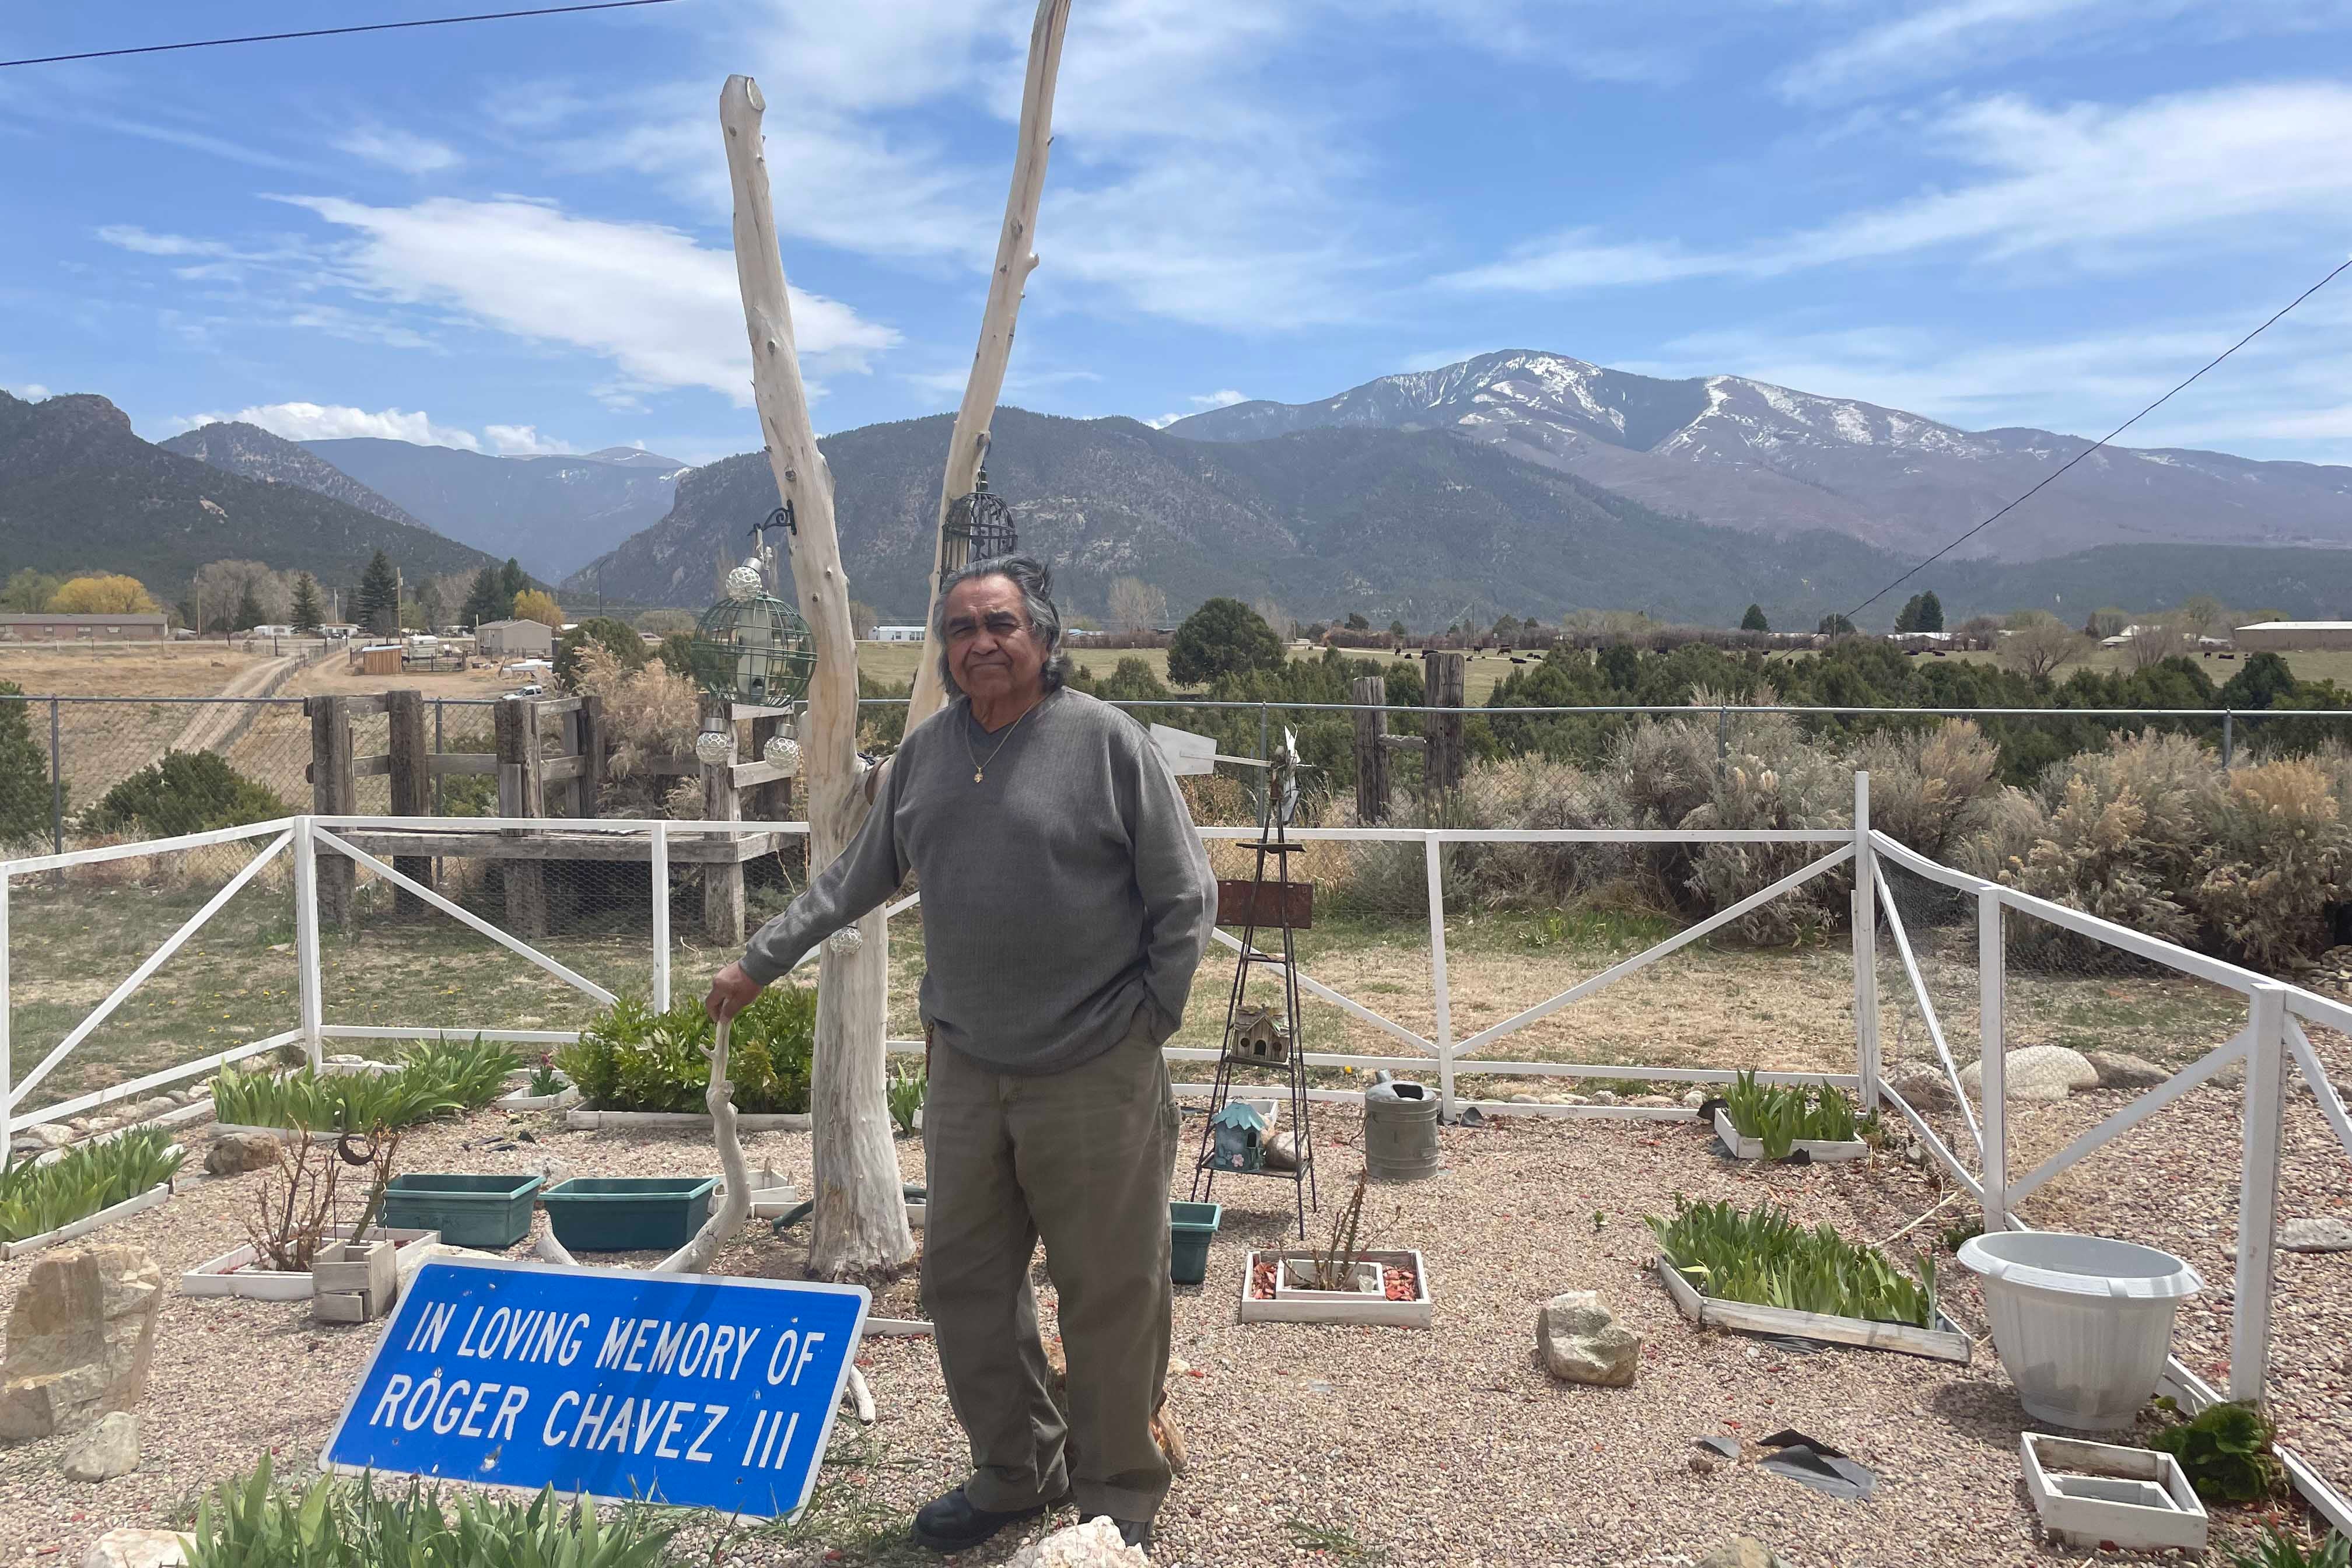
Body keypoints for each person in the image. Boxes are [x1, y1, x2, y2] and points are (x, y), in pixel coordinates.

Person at [705, 554, 1216, 1553]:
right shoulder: (928, 756)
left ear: (1044, 638)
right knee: (966, 1283)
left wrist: (1150, 1020)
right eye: (960, 630)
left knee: (1110, 1286)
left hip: (1096, 1068)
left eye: (1000, 625)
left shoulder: (1107, 743)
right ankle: (1014, 1468)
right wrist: (759, 962)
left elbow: (1185, 895)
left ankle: (1116, 1490)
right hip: (970, 1071)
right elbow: (854, 879)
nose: (979, 643)